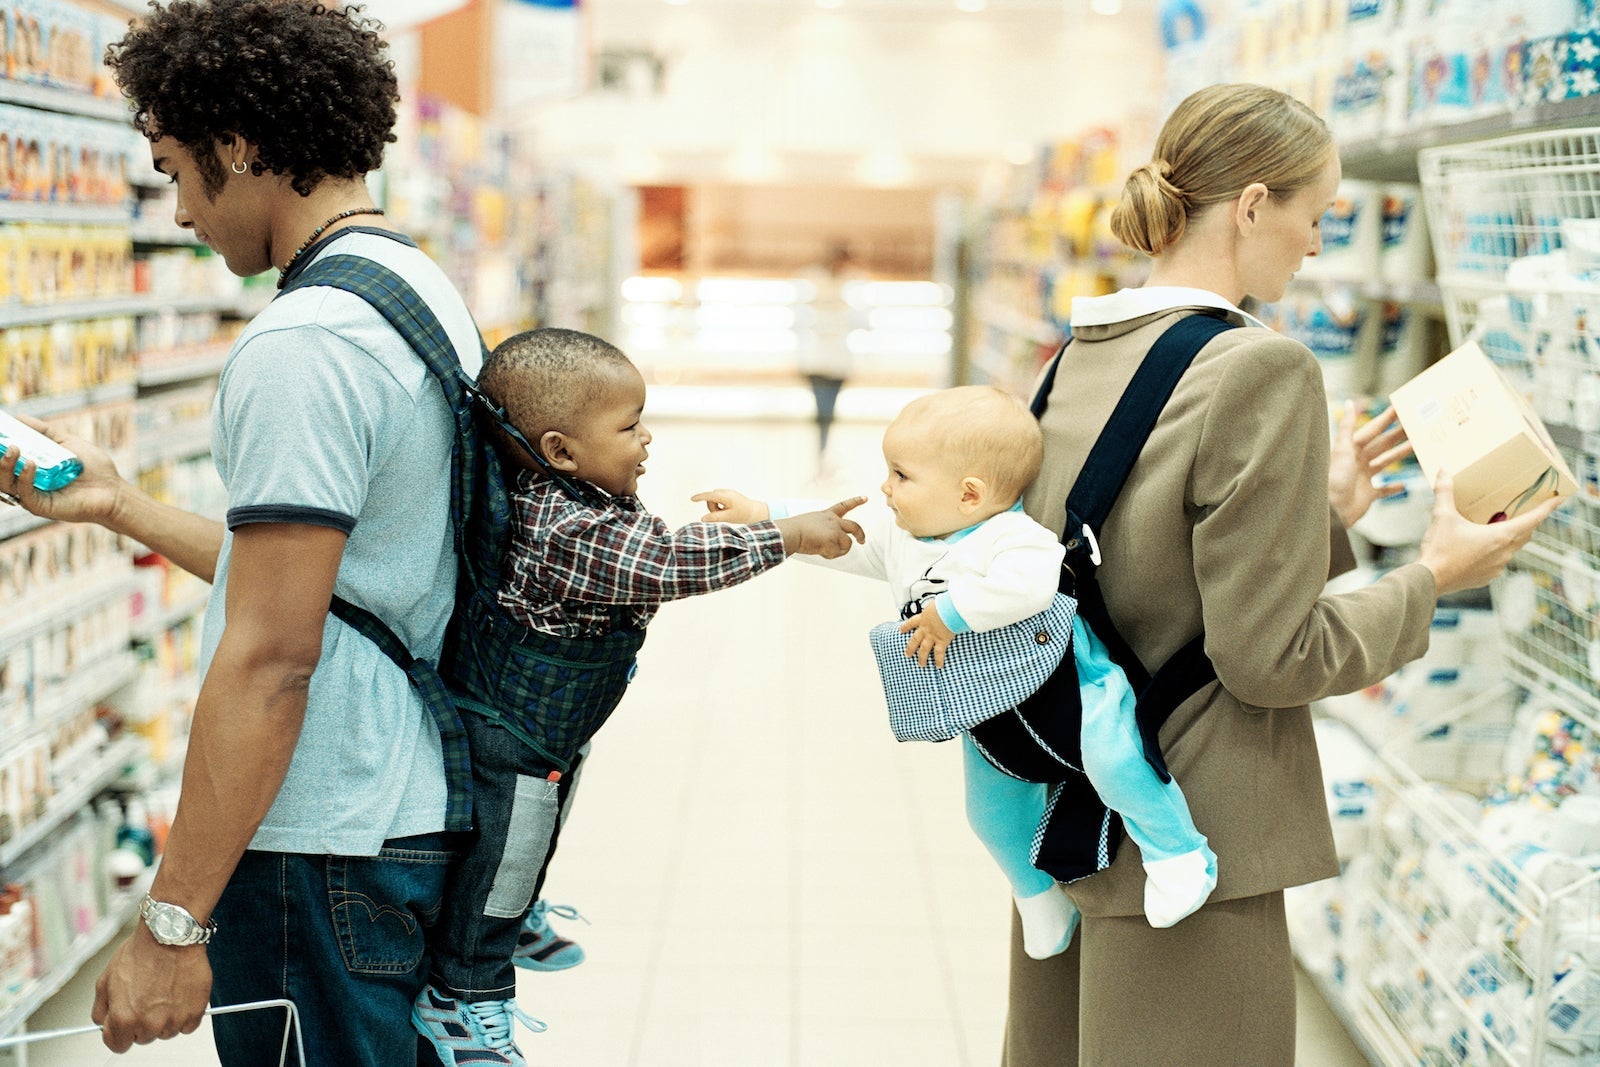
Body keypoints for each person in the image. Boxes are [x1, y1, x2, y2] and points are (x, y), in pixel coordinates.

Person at [996, 82, 1560, 1066]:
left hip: (1071, 816)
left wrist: (1319, 516)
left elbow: (1129, 568)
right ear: (1253, 205)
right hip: (1192, 832)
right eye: (1316, 213)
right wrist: (1433, 571)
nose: (1315, 242)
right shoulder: (1262, 368)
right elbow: (1267, 657)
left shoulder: (1079, 350)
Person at [0, 2, 485, 1063]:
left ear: (237, 147)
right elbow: (336, 581)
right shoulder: (411, 287)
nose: (176, 212)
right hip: (398, 800)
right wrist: (121, 505)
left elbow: (271, 655)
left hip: (325, 841)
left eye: (175, 170)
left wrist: (172, 923)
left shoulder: (304, 344)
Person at [411, 327, 865, 1067]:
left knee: (529, 836)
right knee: (509, 848)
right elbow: (662, 562)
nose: (647, 440)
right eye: (630, 427)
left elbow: (648, 545)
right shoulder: (562, 524)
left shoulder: (581, 492)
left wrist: (753, 516)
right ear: (559, 448)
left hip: (549, 726)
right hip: (514, 733)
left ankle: (512, 907)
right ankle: (465, 995)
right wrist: (785, 535)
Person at [692, 384, 1219, 962]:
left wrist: (950, 613)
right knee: (989, 815)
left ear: (969, 494)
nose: (885, 489)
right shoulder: (905, 537)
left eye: (901, 475)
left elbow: (1029, 585)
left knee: (1117, 760)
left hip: (1074, 687)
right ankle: (1039, 894)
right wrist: (764, 517)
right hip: (989, 708)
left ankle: (1178, 853)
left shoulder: (1011, 537)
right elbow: (844, 543)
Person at [799, 242, 860, 476]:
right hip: (817, 361)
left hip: (837, 362)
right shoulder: (811, 281)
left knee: (829, 412)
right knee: (822, 412)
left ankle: (824, 457)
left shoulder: (853, 282)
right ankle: (820, 458)